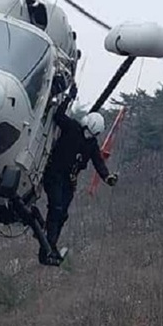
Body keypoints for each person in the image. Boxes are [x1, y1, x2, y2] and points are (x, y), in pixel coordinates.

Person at [40, 102, 118, 265]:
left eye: (92, 135)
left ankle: (51, 244)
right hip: (54, 174)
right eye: (88, 132)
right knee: (56, 207)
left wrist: (107, 177)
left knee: (63, 214)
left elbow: (98, 162)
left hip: (68, 179)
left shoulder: (91, 145)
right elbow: (58, 116)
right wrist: (68, 98)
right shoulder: (72, 128)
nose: (88, 136)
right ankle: (47, 245)